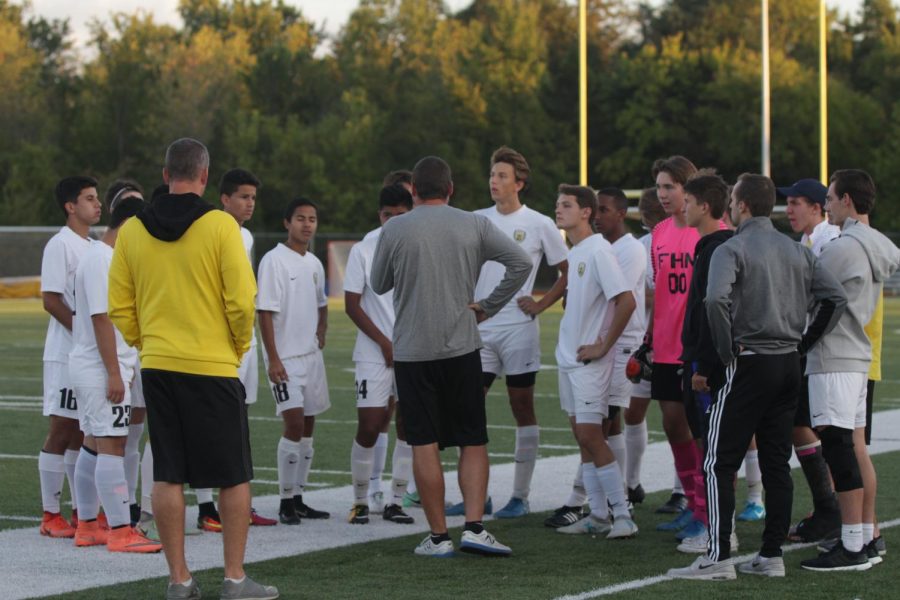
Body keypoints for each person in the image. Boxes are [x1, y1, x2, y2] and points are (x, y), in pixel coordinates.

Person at [109, 138, 277, 600]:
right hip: (214, 363)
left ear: (165, 175)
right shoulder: (221, 227)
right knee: (233, 474)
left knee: (167, 473)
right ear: (204, 177)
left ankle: (179, 580)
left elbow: (119, 305)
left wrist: (148, 343)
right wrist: (236, 346)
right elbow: (243, 300)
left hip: (159, 364)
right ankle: (234, 578)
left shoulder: (133, 231)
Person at [668, 173, 846, 581]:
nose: (730, 205)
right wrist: (805, 341)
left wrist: (726, 349)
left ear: (743, 205)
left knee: (716, 461)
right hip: (787, 363)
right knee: (775, 463)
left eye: (733, 199)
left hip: (750, 360)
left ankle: (717, 557)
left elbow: (715, 299)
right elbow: (835, 297)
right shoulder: (795, 249)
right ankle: (770, 555)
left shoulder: (733, 247)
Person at [370, 156, 530, 557]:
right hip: (461, 346)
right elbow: (521, 262)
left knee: (423, 442)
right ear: (451, 189)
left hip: (412, 350)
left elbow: (378, 282)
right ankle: (475, 527)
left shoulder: (396, 228)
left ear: (413, 191)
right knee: (472, 439)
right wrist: (490, 305)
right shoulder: (473, 223)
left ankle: (438, 536)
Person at [457, 146, 568, 520]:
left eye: (502, 176)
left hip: (519, 331)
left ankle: (520, 496)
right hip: (480, 331)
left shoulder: (540, 224)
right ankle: (477, 496)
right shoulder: (474, 220)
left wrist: (540, 303)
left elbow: (568, 270)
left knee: (522, 407)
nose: (494, 181)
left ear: (519, 183)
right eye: (492, 175)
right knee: (469, 407)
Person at [800, 169, 899, 571]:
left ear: (847, 200)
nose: (826, 205)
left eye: (830, 197)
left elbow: (811, 296)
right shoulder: (875, 244)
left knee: (839, 450)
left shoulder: (843, 248)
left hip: (834, 356)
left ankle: (854, 546)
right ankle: (861, 540)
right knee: (848, 449)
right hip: (855, 356)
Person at [70, 192, 162, 553]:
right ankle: (121, 530)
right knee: (112, 445)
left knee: (93, 445)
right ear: (130, 226)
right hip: (98, 367)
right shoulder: (102, 260)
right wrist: (113, 371)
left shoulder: (103, 257)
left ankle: (88, 525)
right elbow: (101, 317)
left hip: (99, 365)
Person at [552, 184, 638, 539]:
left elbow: (627, 301)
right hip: (568, 358)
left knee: (591, 434)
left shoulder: (600, 251)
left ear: (586, 212)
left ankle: (622, 515)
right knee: (583, 438)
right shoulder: (576, 253)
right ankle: (599, 515)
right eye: (557, 204)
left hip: (589, 363)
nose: (558, 210)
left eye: (567, 205)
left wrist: (603, 345)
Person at [257, 198, 332, 526]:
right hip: (285, 359)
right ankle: (285, 500)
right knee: (294, 424)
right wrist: (273, 358)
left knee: (309, 425)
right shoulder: (274, 261)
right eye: (300, 218)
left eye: (312, 219)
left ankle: (299, 497)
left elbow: (322, 302)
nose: (307, 224)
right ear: (287, 222)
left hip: (310, 356)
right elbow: (265, 313)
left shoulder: (314, 263)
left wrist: (322, 329)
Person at [344, 183, 416, 525]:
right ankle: (359, 500)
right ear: (380, 215)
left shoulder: (419, 245)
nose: (393, 221)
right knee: (370, 424)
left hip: (413, 350)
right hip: (374, 353)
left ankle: (396, 500)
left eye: (401, 215)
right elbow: (352, 305)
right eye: (387, 215)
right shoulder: (363, 249)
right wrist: (385, 343)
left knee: (408, 424)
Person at [647, 156, 712, 530]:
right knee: (673, 424)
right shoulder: (658, 233)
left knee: (703, 429)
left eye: (670, 186)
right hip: (666, 345)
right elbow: (659, 293)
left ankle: (708, 508)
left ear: (689, 189)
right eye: (659, 187)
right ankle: (691, 501)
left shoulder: (713, 228)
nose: (663, 194)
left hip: (698, 348)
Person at [778, 178, 843, 543]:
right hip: (812, 350)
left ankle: (835, 512)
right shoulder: (808, 241)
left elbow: (831, 301)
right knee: (801, 425)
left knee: (832, 434)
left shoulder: (828, 243)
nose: (789, 209)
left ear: (818, 206)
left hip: (826, 353)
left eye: (797, 202)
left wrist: (804, 343)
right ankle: (829, 508)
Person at [38, 176, 102, 538]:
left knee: (83, 431)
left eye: (97, 198)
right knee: (62, 429)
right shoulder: (60, 245)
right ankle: (50, 515)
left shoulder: (92, 246)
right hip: (65, 354)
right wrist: (82, 332)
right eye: (90, 198)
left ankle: (82, 511)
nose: (98, 204)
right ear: (70, 206)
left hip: (85, 354)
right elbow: (51, 299)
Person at [673, 172, 733, 554]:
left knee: (713, 450)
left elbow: (715, 311)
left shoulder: (717, 249)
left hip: (707, 365)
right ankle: (708, 521)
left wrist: (703, 368)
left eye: (689, 202)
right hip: (697, 358)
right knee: (704, 444)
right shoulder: (708, 246)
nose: (684, 208)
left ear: (705, 206)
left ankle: (716, 530)